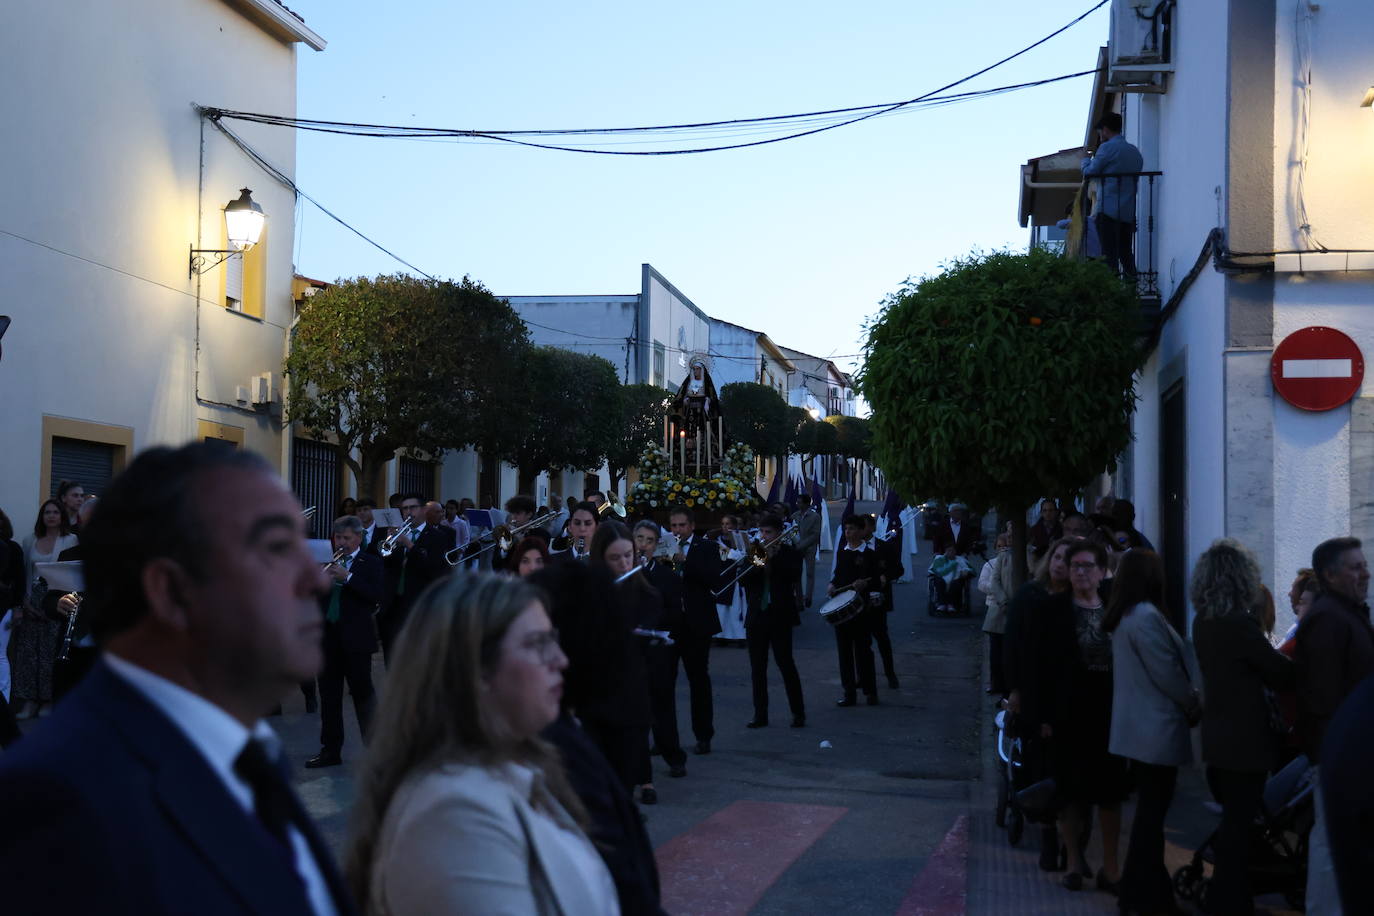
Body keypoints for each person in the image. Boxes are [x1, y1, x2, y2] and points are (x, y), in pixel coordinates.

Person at [0, 443, 354, 914]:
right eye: (276, 549)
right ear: (171, 590)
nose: (317, 580)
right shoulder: (59, 810)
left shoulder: (248, 755)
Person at [344, 573, 618, 915]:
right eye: (537, 643)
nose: (560, 660)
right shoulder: (454, 814)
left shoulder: (519, 768)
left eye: (554, 639)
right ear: (475, 670)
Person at [1191, 538, 1294, 915]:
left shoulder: (1204, 621)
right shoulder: (1238, 624)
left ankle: (1229, 897)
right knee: (1238, 826)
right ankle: (1228, 901)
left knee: (1234, 823)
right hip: (1244, 741)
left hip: (1218, 738)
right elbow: (1278, 671)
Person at [1105, 550, 1197, 915]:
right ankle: (1141, 895)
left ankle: (1149, 893)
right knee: (1151, 818)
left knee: (1150, 817)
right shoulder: (1144, 617)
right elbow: (1168, 674)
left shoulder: (1130, 616)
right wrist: (1193, 702)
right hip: (1154, 730)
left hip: (1141, 729)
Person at [1035, 539, 1127, 892]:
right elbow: (1040, 664)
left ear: (1104, 571)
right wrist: (1042, 715)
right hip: (1068, 711)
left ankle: (1111, 867)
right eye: (1076, 566)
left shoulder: (1116, 609)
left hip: (1109, 709)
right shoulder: (1053, 609)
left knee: (1110, 792)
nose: (1081, 572)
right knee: (1070, 790)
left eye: (1089, 566)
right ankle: (1073, 862)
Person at [1295, 536, 1374, 915]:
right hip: (1338, 757)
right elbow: (1321, 697)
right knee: (1329, 843)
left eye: (1364, 565)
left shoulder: (1348, 613)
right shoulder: (1328, 618)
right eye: (1355, 567)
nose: (1365, 573)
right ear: (1329, 575)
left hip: (1349, 754)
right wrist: (1332, 755)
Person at [307, 515, 385, 769]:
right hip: (328, 638)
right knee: (329, 696)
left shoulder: (370, 562)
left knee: (363, 695)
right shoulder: (324, 563)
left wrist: (348, 577)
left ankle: (375, 752)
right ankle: (330, 750)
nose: (341, 543)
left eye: (347, 538)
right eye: (338, 538)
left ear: (359, 539)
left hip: (356, 640)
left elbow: (375, 596)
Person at [587, 522, 657, 804]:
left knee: (624, 771)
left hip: (631, 691)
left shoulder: (646, 594)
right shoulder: (588, 593)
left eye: (628, 555)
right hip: (594, 694)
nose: (624, 564)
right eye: (614, 558)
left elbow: (651, 630)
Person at [631, 520, 688, 779]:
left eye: (649, 541)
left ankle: (674, 756)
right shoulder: (623, 572)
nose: (643, 545)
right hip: (629, 650)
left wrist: (650, 618)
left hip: (657, 648)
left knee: (663, 706)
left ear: (656, 546)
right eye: (639, 539)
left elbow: (676, 614)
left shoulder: (667, 576)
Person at [12, 499, 78, 719]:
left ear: (61, 516)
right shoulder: (30, 539)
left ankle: (49, 701)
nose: (51, 516)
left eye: (55, 512)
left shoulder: (70, 539)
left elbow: (69, 574)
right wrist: (26, 602)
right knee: (29, 654)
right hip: (34, 598)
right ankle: (29, 702)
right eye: (46, 512)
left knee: (51, 653)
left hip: (58, 598)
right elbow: (25, 573)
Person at [740, 514, 806, 728]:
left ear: (779, 533)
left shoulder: (790, 552)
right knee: (757, 668)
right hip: (757, 616)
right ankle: (760, 714)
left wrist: (773, 560)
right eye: (762, 532)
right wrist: (759, 564)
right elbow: (744, 580)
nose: (764, 536)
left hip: (780, 616)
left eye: (768, 532)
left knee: (786, 664)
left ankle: (798, 713)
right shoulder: (755, 552)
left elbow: (793, 576)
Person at [668, 507, 721, 754]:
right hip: (669, 623)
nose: (677, 530)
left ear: (691, 526)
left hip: (697, 624)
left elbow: (714, 579)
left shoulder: (707, 547)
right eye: (673, 526)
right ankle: (664, 738)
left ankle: (704, 735)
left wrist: (686, 563)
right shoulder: (663, 546)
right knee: (663, 684)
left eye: (681, 525)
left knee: (699, 681)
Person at [379, 493, 449, 662]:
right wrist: (390, 541)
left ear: (424, 510)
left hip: (419, 603)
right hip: (393, 602)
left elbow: (433, 569)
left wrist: (409, 545)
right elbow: (385, 562)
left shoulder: (438, 536)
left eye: (413, 508)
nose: (408, 512)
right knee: (391, 653)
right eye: (405, 509)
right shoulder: (397, 534)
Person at [1081, 111, 1145, 278]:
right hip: (1127, 210)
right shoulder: (1134, 151)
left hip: (1108, 208)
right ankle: (1131, 286)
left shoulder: (1107, 147)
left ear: (1106, 129)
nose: (1100, 135)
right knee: (1125, 252)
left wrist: (1085, 161)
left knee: (1108, 253)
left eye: (1100, 131)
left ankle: (1112, 288)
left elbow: (1090, 172)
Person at [828, 514, 882, 707]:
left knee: (863, 652)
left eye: (851, 529)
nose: (847, 532)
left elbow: (876, 580)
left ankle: (870, 691)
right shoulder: (843, 552)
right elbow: (837, 575)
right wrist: (832, 584)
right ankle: (849, 692)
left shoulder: (869, 554)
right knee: (844, 653)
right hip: (842, 610)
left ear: (861, 531)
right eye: (846, 529)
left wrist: (863, 585)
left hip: (861, 610)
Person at [980, 531, 1015, 697]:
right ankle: (996, 683)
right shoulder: (993, 563)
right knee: (996, 653)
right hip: (998, 606)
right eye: (1000, 545)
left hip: (1013, 608)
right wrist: (1002, 598)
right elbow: (990, 582)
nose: (1004, 547)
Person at [0, 507, 24, 709]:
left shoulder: (12, 548)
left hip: (4, 607)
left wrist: (17, 607)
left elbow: (19, 580)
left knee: (0, 654)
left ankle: (4, 701)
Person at [791, 494, 822, 608]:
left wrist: (802, 545)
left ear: (806, 503)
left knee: (809, 573)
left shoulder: (815, 517)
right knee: (797, 574)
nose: (798, 504)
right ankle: (799, 598)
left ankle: (808, 597)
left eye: (800, 502)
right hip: (797, 548)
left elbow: (815, 534)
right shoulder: (795, 516)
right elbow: (792, 530)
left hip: (809, 548)